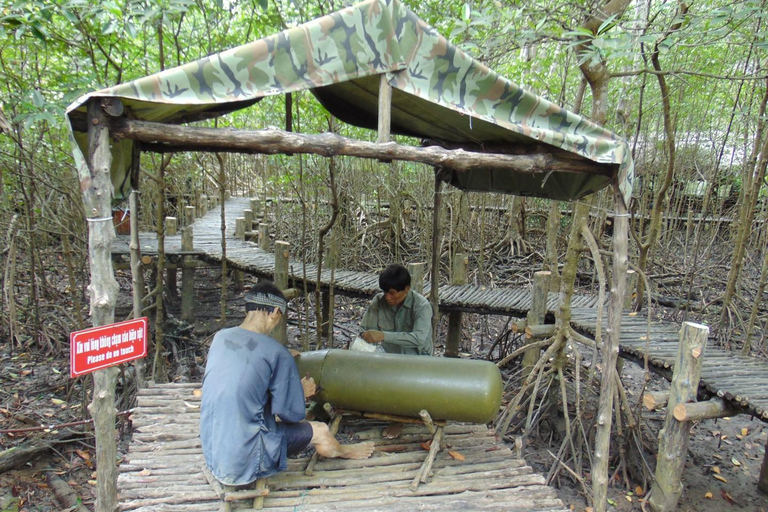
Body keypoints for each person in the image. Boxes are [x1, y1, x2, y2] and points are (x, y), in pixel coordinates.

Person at [200, 282, 374, 486]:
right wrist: (301, 392)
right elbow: (291, 415)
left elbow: (249, 363)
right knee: (320, 430)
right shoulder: (276, 353)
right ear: (275, 312)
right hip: (244, 459)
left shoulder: (221, 337)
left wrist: (280, 357)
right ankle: (343, 451)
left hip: (214, 450)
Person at [360, 264, 433, 356]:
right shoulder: (378, 301)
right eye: (385, 292)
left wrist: (383, 336)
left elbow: (418, 339)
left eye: (392, 293)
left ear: (406, 289)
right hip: (390, 357)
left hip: (418, 359)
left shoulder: (421, 306)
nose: (387, 297)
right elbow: (365, 330)